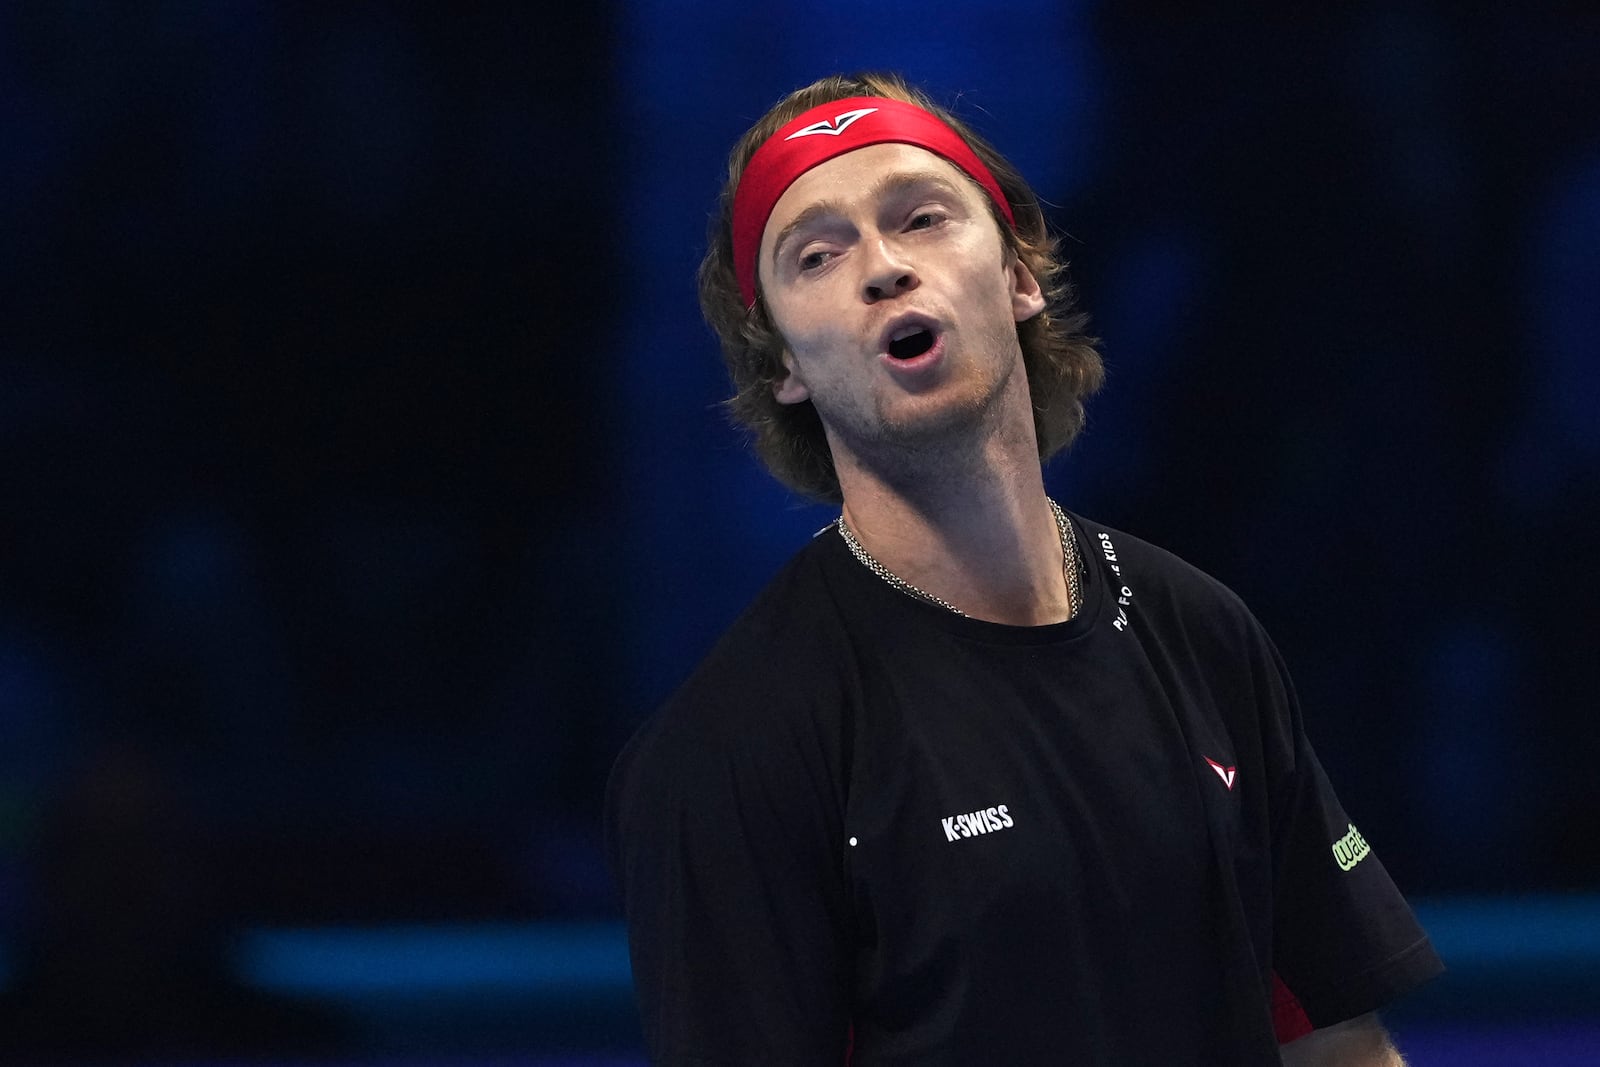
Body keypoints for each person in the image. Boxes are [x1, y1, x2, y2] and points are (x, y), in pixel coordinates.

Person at [605, 71, 1442, 1065]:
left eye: (919, 217)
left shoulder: (1204, 634)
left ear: (1017, 276)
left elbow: (1337, 1047)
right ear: (782, 360)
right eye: (815, 255)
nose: (881, 267)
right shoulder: (732, 749)